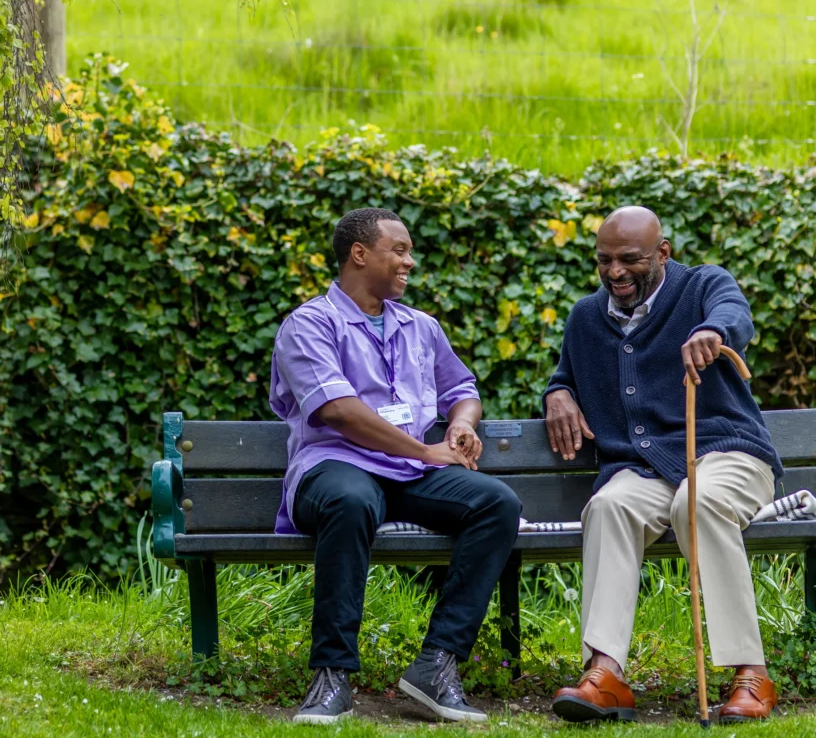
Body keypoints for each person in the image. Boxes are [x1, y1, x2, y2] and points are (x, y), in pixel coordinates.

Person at [270, 207, 521, 725]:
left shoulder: (421, 327)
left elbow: (462, 390)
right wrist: (427, 451)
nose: (410, 261)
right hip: (334, 466)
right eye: (399, 250)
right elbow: (335, 410)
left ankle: (438, 665)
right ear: (360, 254)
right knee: (352, 499)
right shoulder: (310, 324)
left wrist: (460, 424)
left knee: (496, 503)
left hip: (406, 473)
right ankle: (332, 676)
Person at [544, 206, 784, 725]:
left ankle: (751, 673)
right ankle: (605, 675)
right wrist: (558, 392)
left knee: (698, 501)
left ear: (663, 253)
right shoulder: (587, 317)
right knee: (608, 505)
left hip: (727, 454)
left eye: (629, 260)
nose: (615, 272)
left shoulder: (701, 286)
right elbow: (564, 374)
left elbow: (734, 314)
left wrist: (713, 332)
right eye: (604, 260)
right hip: (646, 469)